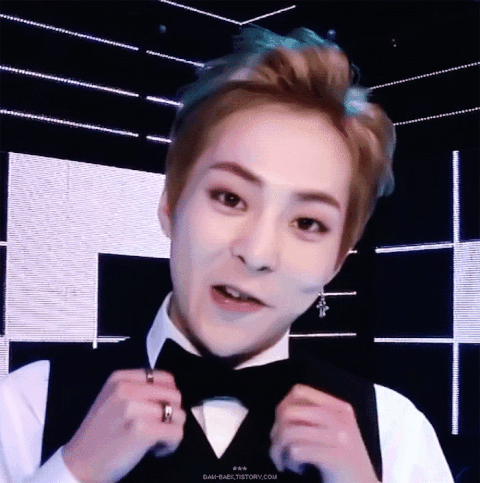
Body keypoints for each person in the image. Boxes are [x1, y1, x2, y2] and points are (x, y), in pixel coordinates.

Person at [0, 26, 453, 483]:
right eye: (230, 198)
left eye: (307, 223)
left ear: (336, 260)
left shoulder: (395, 434)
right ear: (171, 204)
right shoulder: (24, 409)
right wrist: (74, 470)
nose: (257, 254)